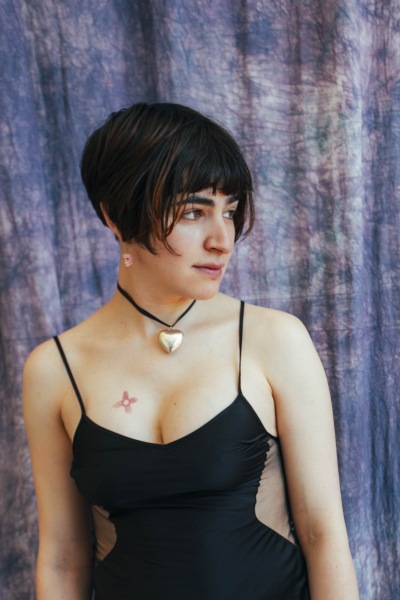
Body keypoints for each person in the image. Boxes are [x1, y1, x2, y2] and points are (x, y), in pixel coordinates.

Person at [23, 102, 359, 600]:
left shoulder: (273, 340)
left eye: (230, 211)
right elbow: (62, 557)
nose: (223, 240)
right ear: (115, 215)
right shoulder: (54, 369)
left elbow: (321, 532)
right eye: (193, 212)